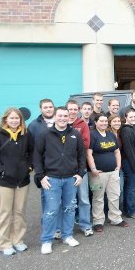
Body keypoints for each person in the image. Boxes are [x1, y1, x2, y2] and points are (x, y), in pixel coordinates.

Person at [34, 107, 86, 254]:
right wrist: (41, 176)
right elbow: (37, 157)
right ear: (55, 117)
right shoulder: (45, 134)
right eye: (60, 115)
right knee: (51, 210)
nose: (63, 118)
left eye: (65, 115)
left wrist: (80, 174)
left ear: (69, 117)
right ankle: (47, 240)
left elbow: (81, 156)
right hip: (52, 179)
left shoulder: (75, 134)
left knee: (70, 208)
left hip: (71, 179)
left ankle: (67, 236)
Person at [0, 108, 33, 256]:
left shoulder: (26, 133)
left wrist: (29, 167)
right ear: (6, 119)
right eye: (11, 118)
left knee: (19, 212)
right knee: (5, 213)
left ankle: (18, 241)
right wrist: (1, 169)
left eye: (17, 118)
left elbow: (32, 152)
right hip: (3, 181)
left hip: (22, 180)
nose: (14, 121)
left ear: (21, 120)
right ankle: (4, 243)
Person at [53, 100, 93, 238]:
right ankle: (58, 228)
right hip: (62, 169)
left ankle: (85, 225)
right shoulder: (58, 125)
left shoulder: (82, 125)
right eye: (70, 109)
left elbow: (85, 144)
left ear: (79, 110)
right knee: (62, 201)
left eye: (75, 109)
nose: (72, 112)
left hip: (80, 168)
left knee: (83, 199)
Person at [87, 114, 128, 232]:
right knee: (98, 198)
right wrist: (93, 169)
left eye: (105, 121)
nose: (104, 123)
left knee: (114, 196)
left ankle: (116, 218)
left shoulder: (111, 134)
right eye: (101, 121)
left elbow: (116, 151)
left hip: (113, 172)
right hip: (98, 174)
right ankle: (98, 221)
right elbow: (89, 153)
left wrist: (118, 166)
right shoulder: (92, 135)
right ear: (96, 122)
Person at [120, 108, 135, 219]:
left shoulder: (132, 129)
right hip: (129, 162)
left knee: (130, 187)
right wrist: (134, 166)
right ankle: (130, 211)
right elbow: (128, 150)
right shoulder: (125, 131)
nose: (133, 118)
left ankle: (129, 208)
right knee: (130, 188)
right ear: (125, 118)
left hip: (133, 161)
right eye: (131, 117)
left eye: (134, 116)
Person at [108, 114, 125, 209]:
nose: (117, 123)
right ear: (109, 123)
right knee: (111, 192)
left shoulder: (119, 134)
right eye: (114, 121)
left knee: (120, 190)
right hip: (109, 167)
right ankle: (109, 212)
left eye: (118, 121)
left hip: (119, 167)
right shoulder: (107, 134)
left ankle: (118, 211)